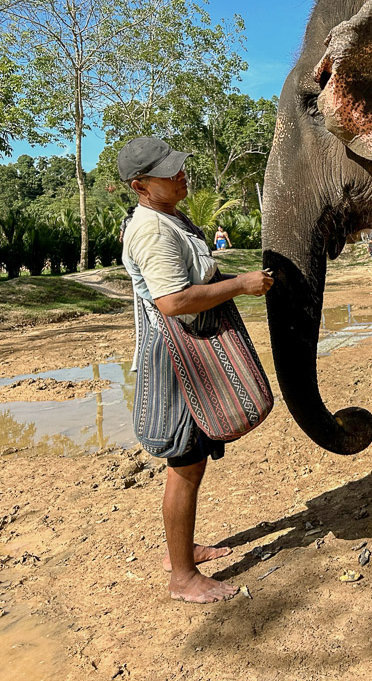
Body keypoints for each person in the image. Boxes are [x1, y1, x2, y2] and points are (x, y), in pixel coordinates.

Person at [118, 136, 274, 603]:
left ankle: (179, 552)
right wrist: (242, 285)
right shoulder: (152, 230)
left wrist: (232, 280)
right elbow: (173, 301)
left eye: (179, 166)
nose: (181, 174)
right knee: (184, 462)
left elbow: (192, 280)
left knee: (192, 459)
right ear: (140, 185)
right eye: (169, 171)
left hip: (187, 352)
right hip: (177, 360)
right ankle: (182, 578)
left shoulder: (170, 217)